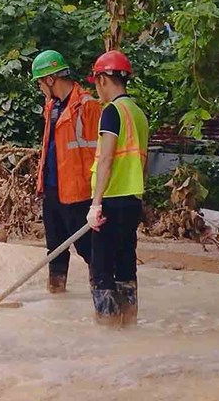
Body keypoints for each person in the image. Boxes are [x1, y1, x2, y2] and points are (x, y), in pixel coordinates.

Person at [86, 50, 149, 326]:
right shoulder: (138, 113)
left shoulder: (111, 112)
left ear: (102, 79)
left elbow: (107, 159)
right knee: (125, 267)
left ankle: (107, 332)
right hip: (133, 201)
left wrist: (96, 204)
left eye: (96, 81)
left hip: (110, 201)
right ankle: (129, 329)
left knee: (101, 271)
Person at [31, 50, 101, 293]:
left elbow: (101, 152)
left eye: (40, 82)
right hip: (53, 187)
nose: (40, 88)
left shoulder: (88, 106)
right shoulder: (52, 107)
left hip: (79, 191)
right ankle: (56, 293)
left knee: (88, 248)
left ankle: (103, 298)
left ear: (51, 79)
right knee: (55, 249)